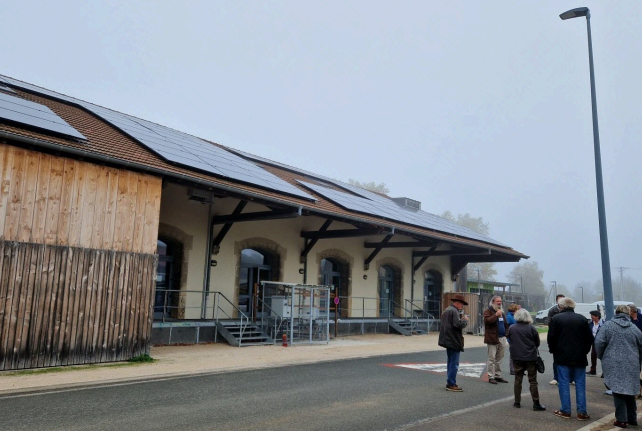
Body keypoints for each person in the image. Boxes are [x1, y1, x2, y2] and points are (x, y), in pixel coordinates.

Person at [595, 304, 642, 428]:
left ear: (616, 313)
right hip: (632, 364)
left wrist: (601, 356)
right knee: (629, 391)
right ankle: (632, 418)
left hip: (613, 363)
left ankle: (621, 419)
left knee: (618, 390)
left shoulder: (607, 326)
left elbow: (599, 343)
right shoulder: (634, 329)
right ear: (628, 314)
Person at [547, 297, 593, 421]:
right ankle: (582, 412)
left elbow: (551, 337)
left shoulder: (556, 319)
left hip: (561, 355)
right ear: (573, 306)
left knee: (563, 382)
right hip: (579, 356)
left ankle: (565, 410)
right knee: (580, 383)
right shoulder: (583, 319)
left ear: (561, 307)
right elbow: (589, 338)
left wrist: (553, 350)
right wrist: (585, 350)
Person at [507, 308, 546, 411]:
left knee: (517, 380)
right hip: (530, 357)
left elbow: (510, 339)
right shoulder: (531, 328)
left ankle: (517, 401)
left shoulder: (512, 328)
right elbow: (537, 342)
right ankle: (536, 403)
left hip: (516, 357)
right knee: (532, 380)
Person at [438, 294, 469, 392]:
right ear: (458, 303)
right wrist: (465, 321)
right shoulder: (454, 311)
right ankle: (451, 383)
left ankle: (450, 382)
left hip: (447, 339)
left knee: (450, 362)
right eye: (462, 304)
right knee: (454, 364)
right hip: (453, 339)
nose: (462, 306)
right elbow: (457, 325)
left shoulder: (447, 310)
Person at [483, 296, 509, 384]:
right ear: (493, 302)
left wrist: (506, 333)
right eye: (497, 301)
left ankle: (498, 375)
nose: (499, 303)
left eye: (500, 301)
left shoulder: (502, 312)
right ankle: (491, 376)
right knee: (492, 359)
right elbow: (487, 321)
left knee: (499, 358)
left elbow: (506, 325)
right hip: (492, 338)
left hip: (502, 338)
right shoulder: (488, 311)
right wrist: (495, 315)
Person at [548, 294, 565, 385]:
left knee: (569, 359)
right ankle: (556, 377)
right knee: (556, 359)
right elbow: (550, 324)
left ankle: (571, 378)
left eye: (563, 300)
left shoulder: (568, 310)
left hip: (566, 337)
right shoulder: (552, 311)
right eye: (559, 300)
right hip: (557, 337)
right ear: (556, 301)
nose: (561, 302)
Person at [587, 310, 604, 376]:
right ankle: (593, 370)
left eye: (593, 316)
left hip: (601, 342)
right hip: (594, 342)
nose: (592, 317)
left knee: (602, 357)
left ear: (597, 316)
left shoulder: (603, 323)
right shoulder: (591, 324)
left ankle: (604, 372)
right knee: (593, 356)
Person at [506, 303, 520, 375]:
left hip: (518, 337)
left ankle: (519, 369)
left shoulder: (516, 316)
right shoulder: (509, 317)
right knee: (513, 354)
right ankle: (512, 369)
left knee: (519, 354)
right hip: (512, 338)